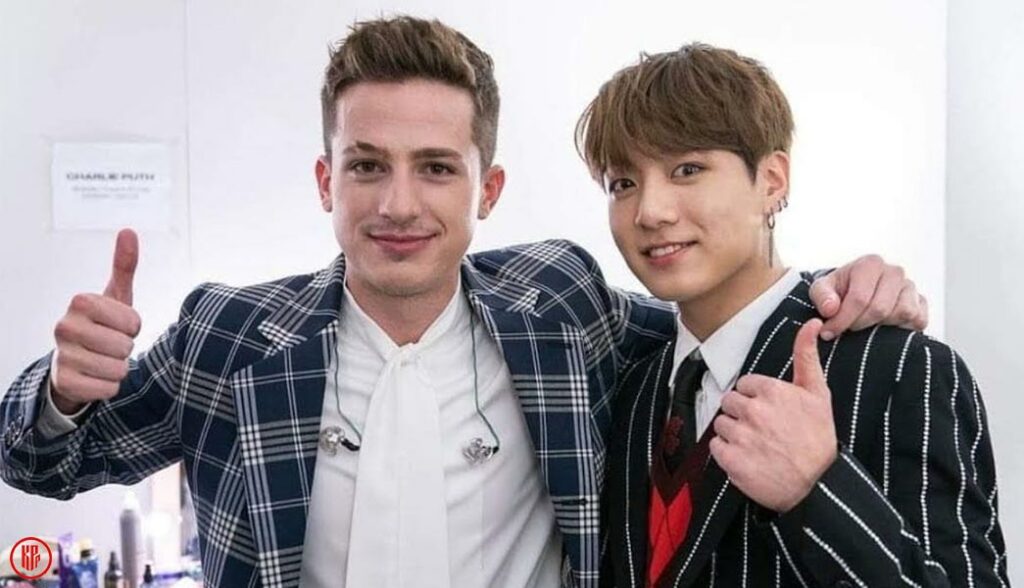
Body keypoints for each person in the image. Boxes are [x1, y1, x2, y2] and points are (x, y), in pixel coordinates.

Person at [1, 18, 926, 588]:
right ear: (327, 180)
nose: (399, 205)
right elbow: (38, 462)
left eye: (437, 168)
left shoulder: (562, 308)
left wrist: (836, 288)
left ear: (488, 189)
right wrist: (63, 391)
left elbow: (715, 323)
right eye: (368, 165)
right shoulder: (231, 336)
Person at [577, 43, 1008, 587]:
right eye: (623, 184)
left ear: (772, 181)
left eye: (687, 169)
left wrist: (819, 488)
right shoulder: (633, 388)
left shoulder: (900, 368)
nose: (649, 212)